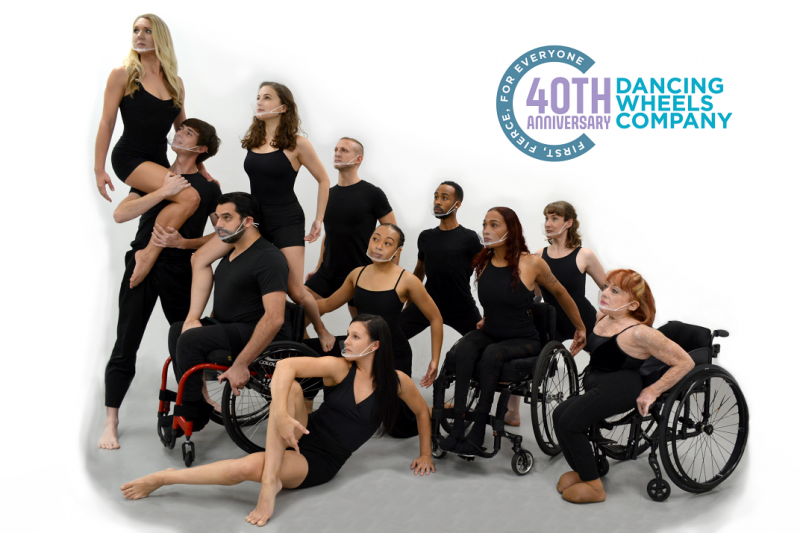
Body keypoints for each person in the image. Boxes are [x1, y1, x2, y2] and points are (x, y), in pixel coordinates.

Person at [121, 315, 435, 527]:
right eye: (349, 334)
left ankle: (165, 478)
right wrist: (282, 415)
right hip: (301, 429)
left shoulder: (397, 382)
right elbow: (285, 369)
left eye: (355, 336)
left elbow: (422, 412)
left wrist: (424, 453)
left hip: (321, 460)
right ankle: (270, 484)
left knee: (244, 468)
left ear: (375, 346)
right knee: (293, 387)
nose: (346, 341)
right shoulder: (339, 367)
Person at [99, 118, 222, 450]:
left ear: (200, 150)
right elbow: (122, 214)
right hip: (141, 261)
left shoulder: (209, 188)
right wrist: (163, 191)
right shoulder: (154, 174)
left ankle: (204, 396)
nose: (178, 133)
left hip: (180, 268)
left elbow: (223, 234)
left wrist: (185, 244)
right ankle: (111, 420)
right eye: (178, 130)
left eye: (187, 133)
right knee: (126, 342)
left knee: (187, 338)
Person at [189, 82, 335, 352]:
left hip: (286, 220)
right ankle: (193, 321)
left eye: (267, 97)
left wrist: (319, 219)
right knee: (201, 257)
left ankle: (321, 330)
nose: (259, 102)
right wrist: (206, 174)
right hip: (254, 220)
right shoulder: (253, 141)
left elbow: (324, 180)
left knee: (296, 291)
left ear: (284, 107)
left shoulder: (297, 144)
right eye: (258, 97)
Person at [440, 207, 587, 455]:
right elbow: (498, 296)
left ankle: (477, 431)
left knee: (492, 354)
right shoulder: (484, 261)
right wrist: (487, 317)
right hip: (492, 330)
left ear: (511, 230)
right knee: (464, 347)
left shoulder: (531, 263)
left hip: (524, 338)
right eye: (485, 224)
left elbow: (561, 293)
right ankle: (457, 426)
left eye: (494, 225)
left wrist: (580, 327)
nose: (486, 230)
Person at [94, 14, 215, 288]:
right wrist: (99, 168)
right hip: (130, 156)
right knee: (189, 197)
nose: (139, 35)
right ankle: (148, 254)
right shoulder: (123, 74)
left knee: (151, 208)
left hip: (158, 158)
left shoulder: (175, 82)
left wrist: (201, 164)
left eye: (147, 30)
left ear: (160, 37)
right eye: (136, 30)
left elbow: (183, 127)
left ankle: (147, 258)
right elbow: (107, 122)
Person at [553, 269, 694, 503]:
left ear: (632, 305)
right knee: (559, 414)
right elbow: (606, 350)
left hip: (619, 387)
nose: (605, 292)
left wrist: (652, 391)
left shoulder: (640, 332)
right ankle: (581, 470)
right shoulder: (604, 318)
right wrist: (584, 342)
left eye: (615, 290)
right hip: (598, 382)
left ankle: (594, 486)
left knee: (570, 423)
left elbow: (685, 362)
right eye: (606, 286)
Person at [164, 192, 290, 434]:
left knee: (189, 340)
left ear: (247, 221)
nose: (219, 224)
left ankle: (192, 413)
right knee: (177, 330)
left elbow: (275, 318)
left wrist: (241, 363)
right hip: (231, 327)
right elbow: (200, 262)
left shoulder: (269, 258)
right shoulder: (232, 251)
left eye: (227, 217)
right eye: (218, 218)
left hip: (255, 331)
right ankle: (198, 399)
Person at [317, 223, 444, 437]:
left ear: (397, 251)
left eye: (387, 243)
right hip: (361, 350)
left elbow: (435, 318)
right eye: (375, 239)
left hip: (393, 353)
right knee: (317, 357)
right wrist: (298, 304)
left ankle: (437, 412)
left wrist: (434, 360)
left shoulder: (407, 280)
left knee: (399, 428)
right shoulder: (356, 274)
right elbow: (328, 304)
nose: (378, 246)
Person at [505, 200, 606, 426]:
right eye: (546, 218)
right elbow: (534, 292)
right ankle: (512, 412)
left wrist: (604, 315)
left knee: (605, 360)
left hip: (582, 318)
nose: (548, 223)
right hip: (552, 321)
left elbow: (607, 289)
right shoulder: (540, 255)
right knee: (526, 362)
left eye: (554, 218)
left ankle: (601, 404)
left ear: (568, 222)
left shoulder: (584, 255)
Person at [305, 137, 397, 318]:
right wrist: (318, 266)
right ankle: (311, 343)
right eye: (336, 149)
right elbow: (329, 234)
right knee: (297, 316)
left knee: (363, 329)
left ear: (358, 159)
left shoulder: (372, 194)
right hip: (328, 273)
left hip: (362, 274)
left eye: (344, 150)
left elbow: (394, 235)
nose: (337, 153)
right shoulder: (328, 194)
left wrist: (391, 276)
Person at [399, 181, 483, 341]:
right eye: (436, 197)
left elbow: (485, 272)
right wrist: (409, 304)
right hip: (427, 302)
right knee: (390, 337)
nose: (437, 201)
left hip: (461, 306)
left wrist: (489, 312)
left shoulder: (470, 238)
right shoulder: (426, 237)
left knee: (482, 344)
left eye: (444, 198)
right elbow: (418, 272)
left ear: (457, 204)